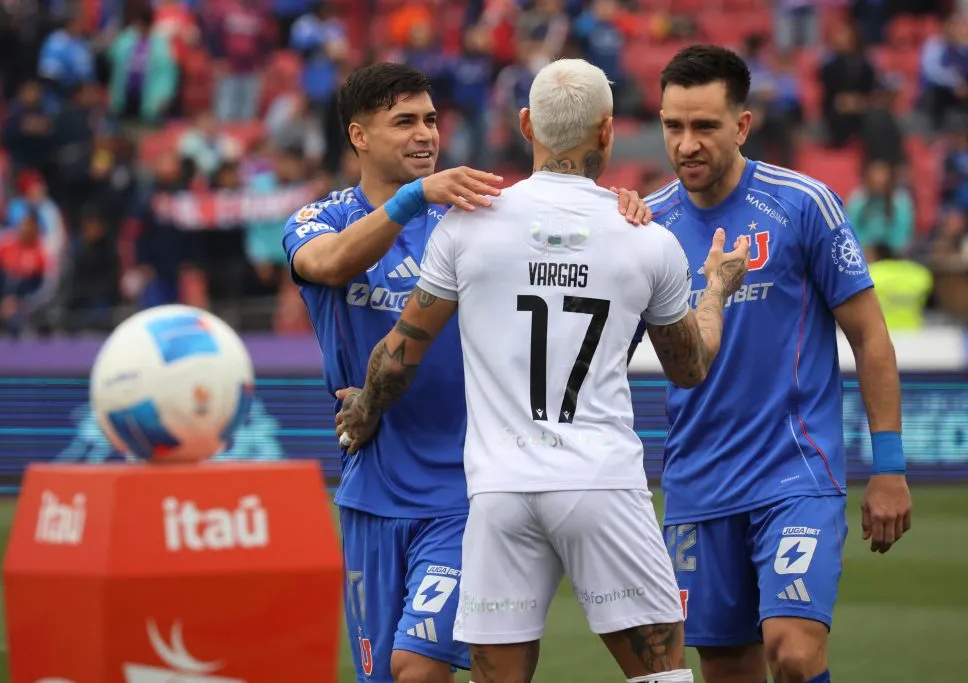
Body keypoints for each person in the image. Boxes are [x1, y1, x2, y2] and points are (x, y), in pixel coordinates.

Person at [334, 58, 752, 683]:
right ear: (608, 132)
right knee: (659, 674)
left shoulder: (467, 226)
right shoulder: (645, 237)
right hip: (600, 483)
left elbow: (400, 352)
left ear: (526, 124)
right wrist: (715, 287)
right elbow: (689, 367)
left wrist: (364, 406)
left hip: (500, 492)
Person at [281, 62, 653, 683]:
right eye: (404, 122)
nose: (425, 134)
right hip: (371, 487)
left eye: (430, 119)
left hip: (469, 489)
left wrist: (623, 211)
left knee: (418, 669)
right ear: (359, 135)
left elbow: (580, 250)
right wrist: (410, 200)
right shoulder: (319, 220)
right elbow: (326, 264)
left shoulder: (476, 217)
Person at [634, 45, 913, 683]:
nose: (686, 144)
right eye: (673, 126)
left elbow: (869, 336)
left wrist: (890, 467)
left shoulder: (802, 205)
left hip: (793, 471)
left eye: (704, 126)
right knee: (728, 669)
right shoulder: (651, 226)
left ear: (742, 125)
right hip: (697, 483)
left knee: (792, 652)